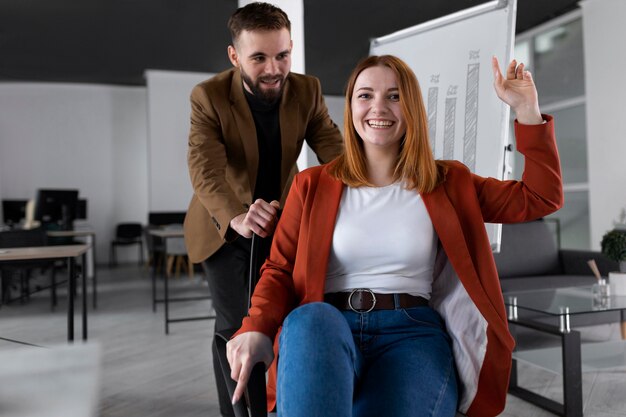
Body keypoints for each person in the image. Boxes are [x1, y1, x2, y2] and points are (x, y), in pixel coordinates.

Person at [226, 54, 563, 417]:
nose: (378, 107)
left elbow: (540, 197)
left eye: (394, 96)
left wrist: (527, 109)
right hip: (326, 326)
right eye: (365, 95)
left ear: (412, 107)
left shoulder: (448, 181)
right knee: (310, 319)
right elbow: (278, 268)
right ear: (351, 105)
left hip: (411, 333)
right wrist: (256, 326)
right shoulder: (312, 184)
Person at [182, 3, 343, 416]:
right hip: (225, 229)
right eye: (259, 58)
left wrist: (374, 181)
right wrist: (236, 214)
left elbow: (334, 152)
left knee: (281, 319)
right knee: (237, 327)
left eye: (282, 55)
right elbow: (205, 170)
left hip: (280, 225)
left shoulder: (307, 90)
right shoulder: (210, 96)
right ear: (235, 56)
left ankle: (276, 405)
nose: (273, 68)